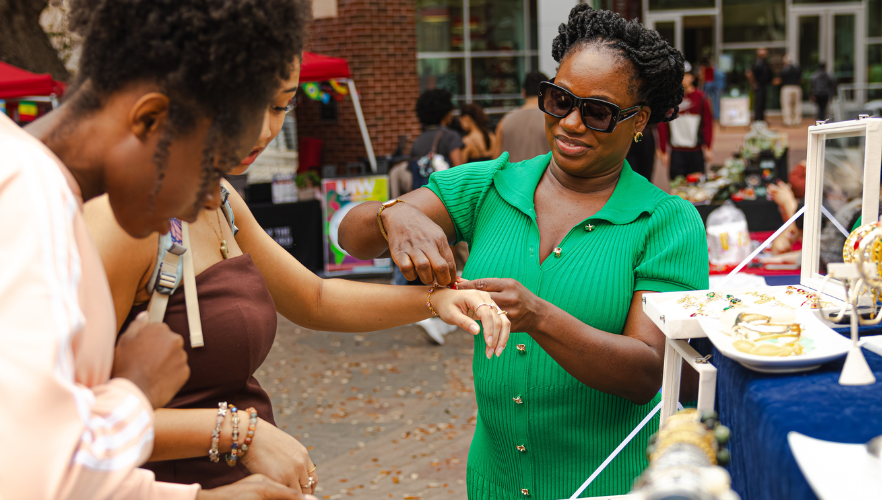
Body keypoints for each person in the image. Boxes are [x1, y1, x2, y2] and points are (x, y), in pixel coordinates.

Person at [85, 57, 512, 493]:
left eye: (279, 107)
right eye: (246, 105)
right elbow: (67, 429)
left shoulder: (220, 197)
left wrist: (437, 300)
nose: (264, 130)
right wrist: (238, 432)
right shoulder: (119, 220)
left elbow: (313, 298)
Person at [337, 5, 708, 498]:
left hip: (607, 485)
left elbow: (647, 371)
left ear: (638, 120)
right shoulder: (489, 185)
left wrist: (539, 317)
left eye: (596, 111)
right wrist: (394, 213)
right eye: (559, 99)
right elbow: (348, 234)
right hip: (496, 483)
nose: (570, 123)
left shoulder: (665, 223)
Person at [0, 0, 317, 499]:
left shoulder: (48, 197)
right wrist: (135, 392)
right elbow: (34, 478)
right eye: (209, 167)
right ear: (151, 119)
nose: (210, 200)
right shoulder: (23, 199)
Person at [658, 62, 714, 179]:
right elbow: (663, 124)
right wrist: (663, 150)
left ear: (692, 77)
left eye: (686, 75)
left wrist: (708, 147)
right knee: (677, 186)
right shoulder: (669, 99)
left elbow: (707, 124)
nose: (683, 78)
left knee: (697, 189)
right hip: (676, 152)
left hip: (696, 152)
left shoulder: (701, 98)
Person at [493, 71, 552, 162]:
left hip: (510, 176)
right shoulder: (553, 119)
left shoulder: (505, 121)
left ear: (523, 92)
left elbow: (495, 161)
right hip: (543, 175)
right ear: (548, 92)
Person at [747, 47, 773, 122]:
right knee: (758, 103)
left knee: (763, 103)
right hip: (759, 86)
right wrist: (753, 83)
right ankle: (757, 120)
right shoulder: (756, 63)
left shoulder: (765, 63)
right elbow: (749, 74)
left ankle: (761, 119)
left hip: (764, 86)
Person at [779, 54, 802, 126]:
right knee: (796, 105)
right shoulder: (797, 68)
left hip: (787, 88)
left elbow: (781, 79)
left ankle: (788, 121)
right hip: (796, 88)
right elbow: (800, 78)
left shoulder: (785, 69)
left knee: (787, 105)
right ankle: (796, 120)